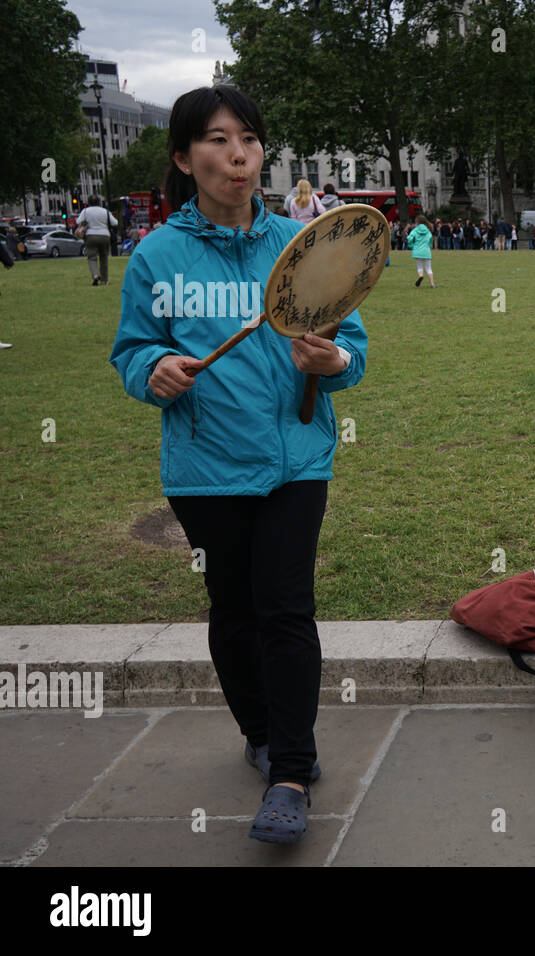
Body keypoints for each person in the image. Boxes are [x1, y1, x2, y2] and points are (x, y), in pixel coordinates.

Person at [109, 85, 368, 845]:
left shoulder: (303, 243)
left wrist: (335, 356)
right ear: (185, 159)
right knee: (234, 610)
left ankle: (289, 769)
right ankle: (258, 729)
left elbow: (351, 346)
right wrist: (153, 368)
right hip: (205, 468)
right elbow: (131, 350)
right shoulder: (157, 255)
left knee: (286, 609)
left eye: (250, 140)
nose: (238, 155)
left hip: (296, 459)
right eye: (218, 141)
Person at [76, 195, 118, 286]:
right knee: (104, 258)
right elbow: (115, 222)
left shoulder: (86, 211)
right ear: (99, 202)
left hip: (90, 235)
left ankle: (95, 274)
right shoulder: (105, 211)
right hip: (104, 235)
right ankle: (104, 280)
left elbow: (78, 221)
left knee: (92, 257)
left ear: (89, 202)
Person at [407, 214, 435, 287]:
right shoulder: (428, 230)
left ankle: (420, 276)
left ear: (417, 222)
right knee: (429, 268)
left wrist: (411, 245)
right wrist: (429, 246)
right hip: (426, 251)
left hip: (417, 251)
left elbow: (409, 238)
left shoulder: (415, 230)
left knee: (419, 267)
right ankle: (432, 284)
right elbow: (430, 239)